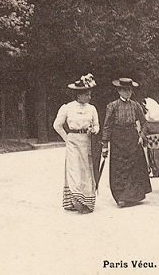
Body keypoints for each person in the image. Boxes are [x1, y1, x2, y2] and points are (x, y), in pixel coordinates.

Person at [101, 77, 152, 207]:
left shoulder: (136, 105)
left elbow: (144, 122)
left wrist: (141, 135)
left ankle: (133, 197)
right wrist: (105, 144)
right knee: (119, 169)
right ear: (119, 91)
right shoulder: (112, 106)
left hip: (132, 137)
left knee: (134, 168)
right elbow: (107, 126)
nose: (128, 93)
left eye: (129, 90)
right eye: (125, 90)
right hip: (117, 138)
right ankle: (121, 197)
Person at [53, 74, 100, 214]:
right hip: (73, 141)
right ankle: (76, 200)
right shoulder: (67, 108)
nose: (89, 97)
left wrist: (94, 130)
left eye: (90, 94)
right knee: (74, 170)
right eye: (86, 94)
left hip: (87, 141)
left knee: (86, 170)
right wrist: (66, 138)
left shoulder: (92, 109)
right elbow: (57, 125)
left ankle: (87, 202)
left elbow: (97, 125)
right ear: (78, 95)